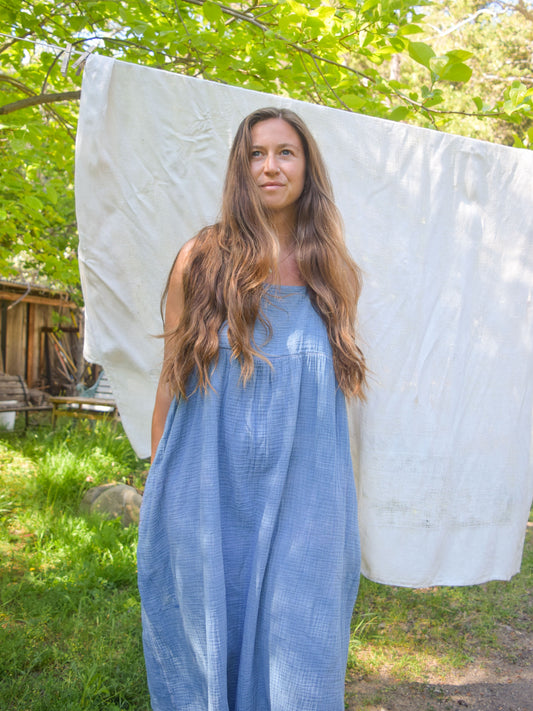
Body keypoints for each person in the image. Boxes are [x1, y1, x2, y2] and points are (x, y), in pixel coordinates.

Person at [137, 106, 367, 711]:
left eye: (285, 152)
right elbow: (172, 377)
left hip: (305, 494)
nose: (270, 166)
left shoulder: (330, 269)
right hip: (208, 484)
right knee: (208, 641)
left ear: (307, 166)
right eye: (256, 154)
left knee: (302, 644)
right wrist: (160, 478)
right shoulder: (201, 258)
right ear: (241, 169)